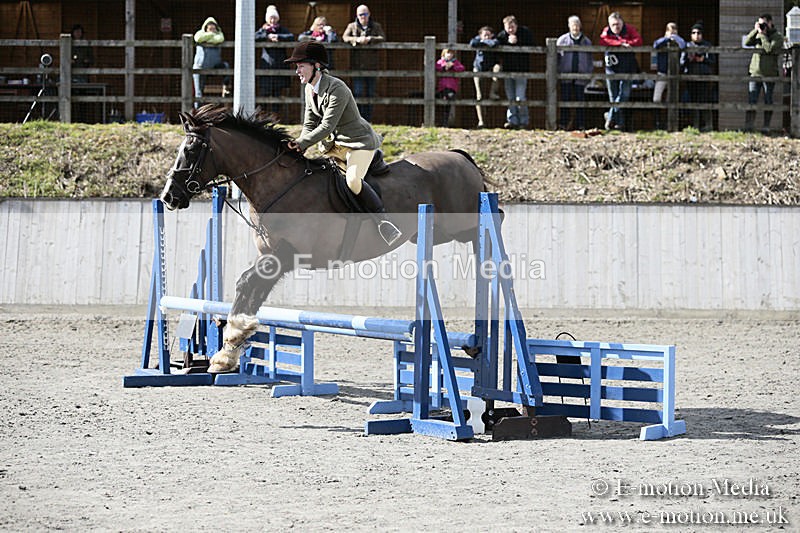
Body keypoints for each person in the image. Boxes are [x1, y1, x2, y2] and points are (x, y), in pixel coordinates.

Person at [283, 41, 401, 246]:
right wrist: (300, 144)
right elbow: (310, 123)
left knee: (353, 181)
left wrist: (303, 143)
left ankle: (384, 223)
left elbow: (327, 126)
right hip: (335, 146)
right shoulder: (309, 89)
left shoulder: (337, 88)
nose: (297, 71)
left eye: (301, 65)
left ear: (316, 66)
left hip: (359, 143)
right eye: (297, 66)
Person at [342, 5, 386, 122]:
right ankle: (358, 118)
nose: (363, 17)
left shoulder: (376, 26)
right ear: (357, 15)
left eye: (365, 14)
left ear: (369, 14)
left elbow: (382, 37)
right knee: (358, 92)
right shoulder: (352, 26)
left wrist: (370, 39)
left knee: (371, 93)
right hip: (357, 65)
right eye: (361, 14)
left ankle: (368, 118)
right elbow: (345, 37)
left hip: (372, 65)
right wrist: (356, 40)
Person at [599, 12, 642, 130]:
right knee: (613, 96)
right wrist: (620, 44)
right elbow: (603, 41)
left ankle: (610, 116)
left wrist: (628, 43)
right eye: (613, 25)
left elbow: (638, 40)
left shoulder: (630, 29)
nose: (615, 27)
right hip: (611, 70)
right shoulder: (606, 30)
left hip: (627, 68)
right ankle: (619, 124)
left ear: (622, 23)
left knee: (624, 95)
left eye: (618, 24)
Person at [744, 13, 785, 133]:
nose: (762, 26)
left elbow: (769, 49)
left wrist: (762, 35)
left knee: (768, 100)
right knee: (752, 100)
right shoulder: (758, 33)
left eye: (764, 23)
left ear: (770, 23)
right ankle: (749, 127)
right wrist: (755, 30)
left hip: (769, 74)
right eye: (760, 23)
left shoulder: (777, 37)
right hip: (755, 73)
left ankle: (766, 127)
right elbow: (747, 42)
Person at [255, 5, 294, 114]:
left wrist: (278, 37)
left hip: (279, 65)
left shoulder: (282, 30)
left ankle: (276, 119)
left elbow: (291, 36)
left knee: (277, 94)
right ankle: (261, 119)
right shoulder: (263, 30)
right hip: (266, 66)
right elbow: (254, 37)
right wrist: (266, 36)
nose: (272, 20)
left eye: (274, 18)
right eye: (270, 18)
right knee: (264, 94)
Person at [556, 15, 593, 130]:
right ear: (569, 26)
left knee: (580, 101)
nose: (575, 27)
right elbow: (556, 58)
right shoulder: (562, 40)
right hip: (565, 75)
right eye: (573, 25)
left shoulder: (586, 42)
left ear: (580, 26)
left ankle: (580, 125)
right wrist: (558, 72)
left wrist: (588, 73)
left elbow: (590, 59)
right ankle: (563, 124)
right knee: (565, 100)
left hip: (581, 76)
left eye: (577, 25)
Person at [496, 15, 534, 129]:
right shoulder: (502, 35)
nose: (510, 30)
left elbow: (532, 45)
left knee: (520, 97)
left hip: (521, 70)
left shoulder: (525, 32)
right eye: (508, 27)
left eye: (512, 27)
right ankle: (512, 121)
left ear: (516, 25)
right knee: (510, 97)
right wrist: (507, 44)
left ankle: (523, 121)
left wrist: (518, 42)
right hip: (508, 70)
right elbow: (497, 49)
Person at [681, 22, 716, 131]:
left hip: (704, 77)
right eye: (694, 33)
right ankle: (695, 126)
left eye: (699, 33)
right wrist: (689, 59)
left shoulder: (707, 45)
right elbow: (681, 62)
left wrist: (703, 59)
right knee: (693, 102)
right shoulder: (687, 46)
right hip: (691, 77)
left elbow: (713, 60)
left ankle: (708, 125)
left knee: (705, 101)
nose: (696, 35)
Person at [651, 22, 685, 129]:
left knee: (671, 99)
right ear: (666, 31)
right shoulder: (662, 41)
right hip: (662, 74)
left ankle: (670, 124)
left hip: (674, 75)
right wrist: (667, 38)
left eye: (674, 31)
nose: (672, 33)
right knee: (656, 99)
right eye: (670, 31)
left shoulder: (678, 41)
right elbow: (655, 45)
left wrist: (675, 38)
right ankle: (657, 123)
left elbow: (683, 45)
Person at [193, 17, 230, 104]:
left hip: (214, 66)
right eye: (209, 27)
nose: (212, 29)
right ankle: (197, 114)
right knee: (199, 92)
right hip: (200, 67)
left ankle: (226, 87)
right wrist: (211, 35)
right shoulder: (200, 33)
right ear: (205, 27)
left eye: (213, 27)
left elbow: (220, 39)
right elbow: (198, 38)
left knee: (226, 66)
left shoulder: (219, 34)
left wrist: (207, 39)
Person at [469, 25, 501, 128]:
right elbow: (472, 43)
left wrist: (484, 42)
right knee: (479, 96)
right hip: (478, 68)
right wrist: (484, 42)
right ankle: (481, 121)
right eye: (484, 35)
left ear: (492, 35)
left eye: (488, 35)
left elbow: (494, 44)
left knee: (498, 68)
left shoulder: (494, 40)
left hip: (491, 67)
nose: (486, 36)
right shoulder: (477, 39)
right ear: (480, 35)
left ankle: (493, 92)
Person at [435, 48, 466, 127]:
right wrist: (444, 66)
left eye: (451, 53)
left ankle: (445, 123)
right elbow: (436, 67)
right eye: (448, 53)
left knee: (448, 105)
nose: (449, 55)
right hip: (442, 87)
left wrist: (453, 67)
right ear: (443, 54)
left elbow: (462, 68)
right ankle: (442, 122)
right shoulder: (440, 61)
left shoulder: (455, 62)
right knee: (443, 104)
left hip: (452, 87)